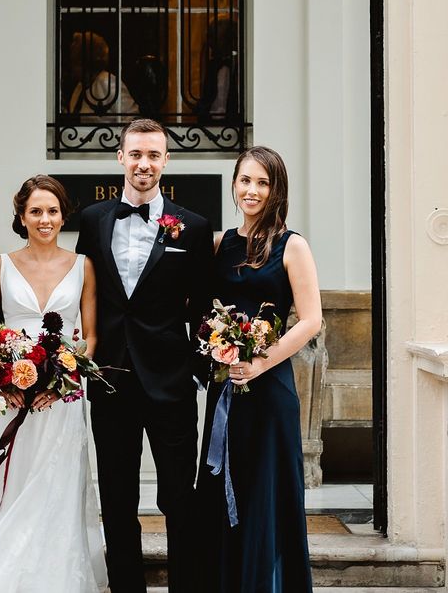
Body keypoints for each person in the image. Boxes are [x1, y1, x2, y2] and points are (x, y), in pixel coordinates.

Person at [75, 118, 214, 592]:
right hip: (111, 379)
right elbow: (85, 294)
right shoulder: (93, 220)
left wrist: (195, 371)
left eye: (153, 155)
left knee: (179, 496)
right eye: (136, 154)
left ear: (166, 161)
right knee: (116, 497)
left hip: (170, 383)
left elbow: (202, 307)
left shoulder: (193, 228)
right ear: (120, 158)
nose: (144, 164)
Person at [0, 175, 108, 593]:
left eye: (52, 211)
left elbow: (90, 336)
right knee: (11, 487)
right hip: (10, 400)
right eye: (35, 211)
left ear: (63, 216)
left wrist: (63, 376)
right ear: (21, 216)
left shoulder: (82, 266)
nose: (45, 219)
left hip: (61, 401)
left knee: (54, 491)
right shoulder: (3, 264)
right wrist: (0, 377)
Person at [195, 146, 322, 592]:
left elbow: (310, 319)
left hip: (268, 391)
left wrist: (259, 362)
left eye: (262, 183)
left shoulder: (292, 245)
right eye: (245, 180)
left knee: (265, 494)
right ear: (233, 184)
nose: (252, 190)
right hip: (224, 388)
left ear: (275, 191)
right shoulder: (219, 244)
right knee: (222, 488)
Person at [68, 30, 139, 119]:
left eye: (75, 62)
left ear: (86, 62)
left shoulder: (107, 82)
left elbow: (131, 117)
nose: (71, 67)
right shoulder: (80, 87)